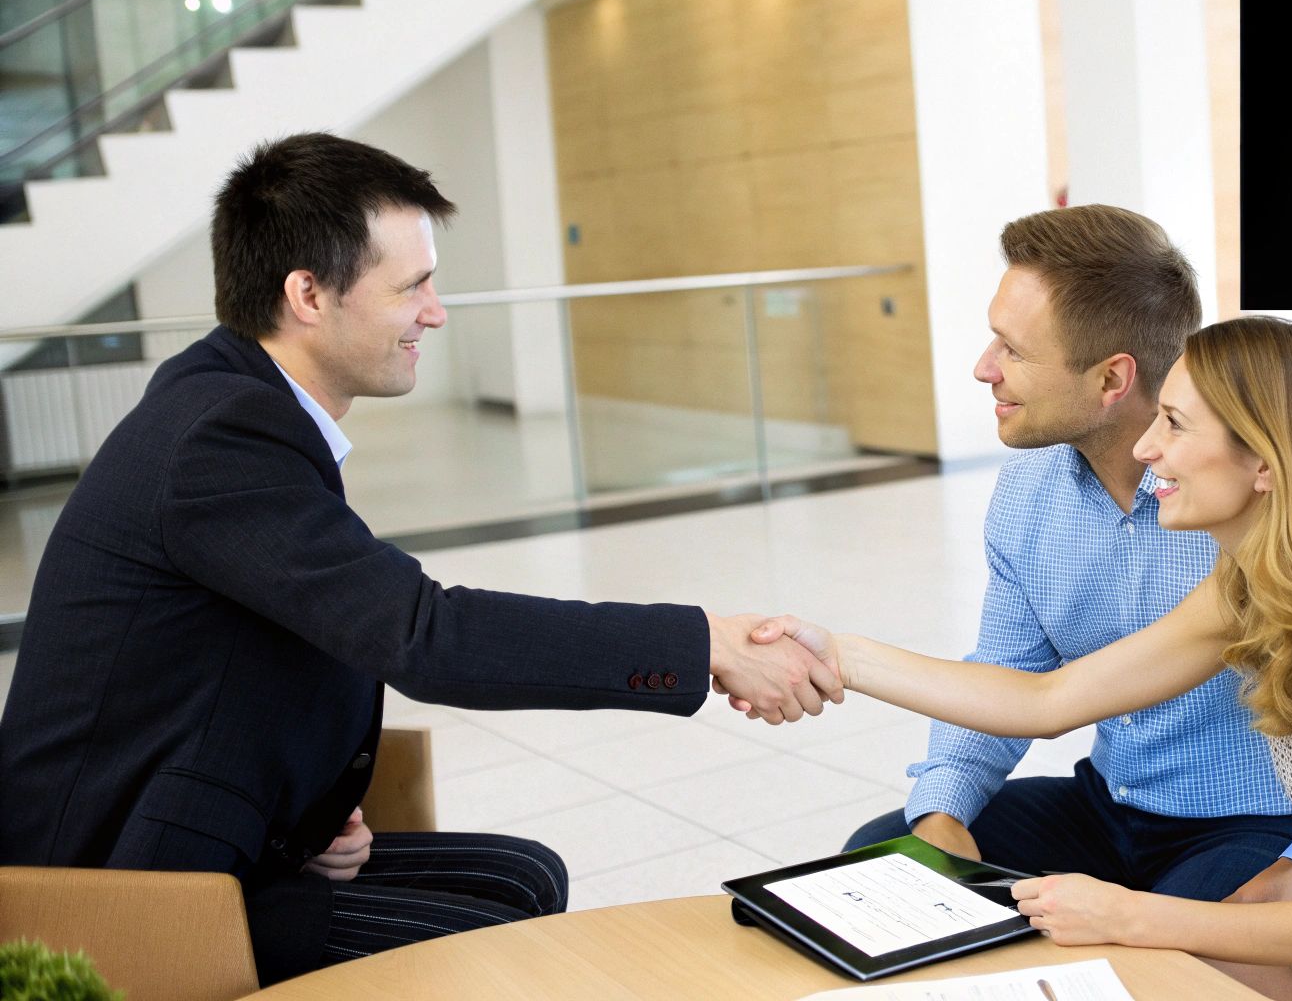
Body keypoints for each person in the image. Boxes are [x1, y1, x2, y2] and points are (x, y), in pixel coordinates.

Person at [0, 132, 839, 986]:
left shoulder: (230, 395)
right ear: (308, 295)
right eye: (412, 286)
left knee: (525, 874)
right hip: (123, 875)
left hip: (208, 818)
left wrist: (321, 811)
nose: (435, 311)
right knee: (499, 946)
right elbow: (423, 634)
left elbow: (266, 645)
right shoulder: (222, 438)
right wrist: (704, 645)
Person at [755, 315, 1292, 1000]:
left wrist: (1128, 914)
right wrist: (840, 653)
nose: (1146, 449)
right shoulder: (1254, 580)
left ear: (1264, 465)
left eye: (1174, 424)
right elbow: (1050, 700)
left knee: (1144, 969)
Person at [834, 205, 1292, 906]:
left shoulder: (1255, 510)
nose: (984, 369)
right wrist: (943, 811)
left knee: (1182, 957)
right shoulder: (1028, 490)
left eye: (1011, 350)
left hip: (1253, 824)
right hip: (1108, 807)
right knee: (879, 861)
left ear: (1111, 378)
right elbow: (1010, 673)